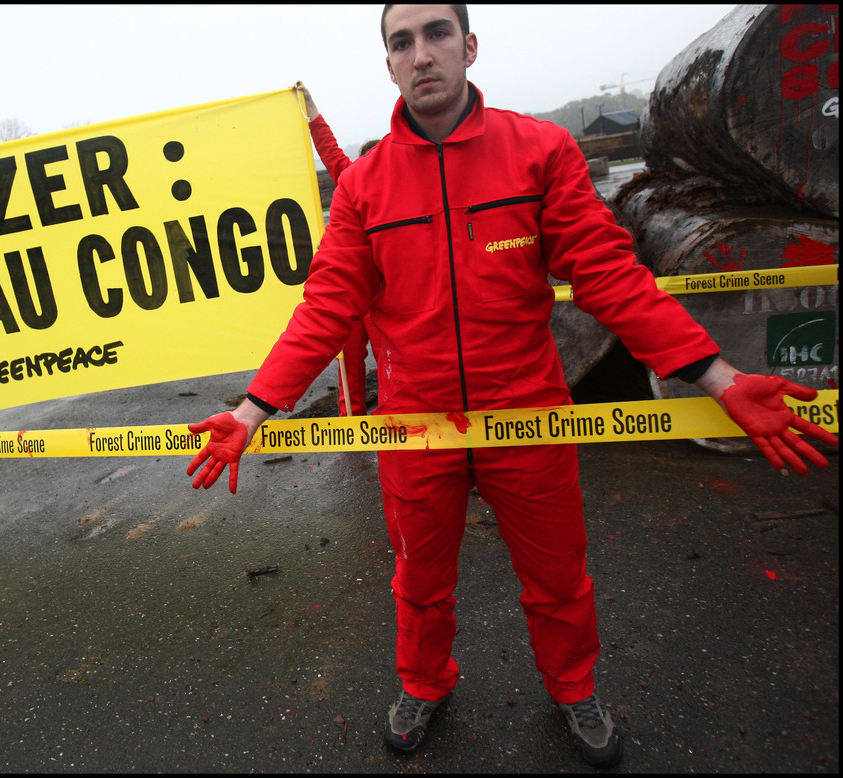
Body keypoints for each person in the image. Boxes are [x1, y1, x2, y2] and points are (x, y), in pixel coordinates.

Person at [185, 4, 838, 768]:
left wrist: (718, 377)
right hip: (415, 428)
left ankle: (573, 689)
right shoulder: (364, 187)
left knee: (558, 578)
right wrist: (253, 408)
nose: (421, 53)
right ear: (387, 64)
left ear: (469, 45)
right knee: (418, 583)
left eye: (436, 34)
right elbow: (326, 305)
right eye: (402, 42)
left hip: (528, 417)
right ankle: (424, 682)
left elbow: (611, 278)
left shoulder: (539, 152)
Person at [296, 82, 377, 416]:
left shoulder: (407, 191)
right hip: (354, 291)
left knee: (398, 361)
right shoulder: (353, 180)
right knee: (349, 362)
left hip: (389, 296)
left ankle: (404, 423)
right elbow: (330, 151)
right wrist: (311, 113)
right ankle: (350, 422)